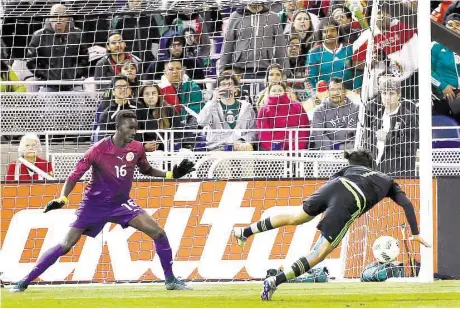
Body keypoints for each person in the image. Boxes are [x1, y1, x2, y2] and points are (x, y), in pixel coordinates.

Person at [11, 110, 195, 293]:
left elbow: (146, 170)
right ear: (117, 127)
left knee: (159, 233)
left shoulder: (137, 148)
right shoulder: (97, 150)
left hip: (121, 203)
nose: (134, 131)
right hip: (94, 205)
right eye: (130, 127)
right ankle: (24, 282)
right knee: (66, 245)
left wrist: (171, 174)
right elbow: (74, 175)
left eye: (136, 128)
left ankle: (170, 279)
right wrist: (63, 197)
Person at [232, 149, 431, 301]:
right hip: (351, 198)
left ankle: (245, 232)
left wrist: (328, 208)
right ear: (372, 165)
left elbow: (333, 186)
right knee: (319, 253)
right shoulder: (386, 180)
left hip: (334, 185)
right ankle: (275, 281)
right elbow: (406, 203)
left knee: (295, 216)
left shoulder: (346, 169)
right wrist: (414, 233)